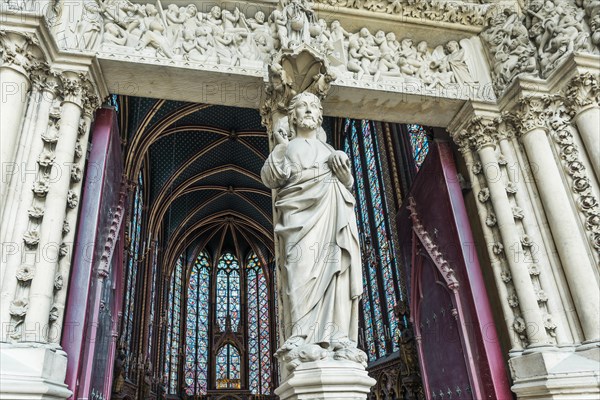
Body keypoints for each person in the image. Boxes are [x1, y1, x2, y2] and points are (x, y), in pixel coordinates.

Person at [261, 92, 366, 371]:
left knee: (336, 276)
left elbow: (348, 184)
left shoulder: (331, 151)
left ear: (320, 115)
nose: (308, 110)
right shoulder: (286, 147)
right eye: (302, 107)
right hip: (298, 223)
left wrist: (344, 176)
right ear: (293, 116)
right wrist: (280, 148)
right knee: (298, 273)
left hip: (331, 221)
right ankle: (300, 334)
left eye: (313, 107)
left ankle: (338, 337)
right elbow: (270, 177)